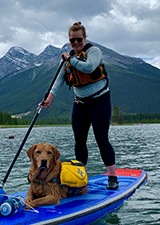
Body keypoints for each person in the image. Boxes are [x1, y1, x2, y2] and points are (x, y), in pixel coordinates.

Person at [40, 22, 119, 190]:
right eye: (72, 41)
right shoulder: (68, 60)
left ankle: (112, 176)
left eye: (79, 40)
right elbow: (59, 81)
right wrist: (50, 98)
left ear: (85, 38)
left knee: (101, 139)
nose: (75, 44)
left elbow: (89, 67)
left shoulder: (93, 52)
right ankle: (80, 177)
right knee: (79, 141)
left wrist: (70, 59)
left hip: (100, 101)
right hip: (80, 104)